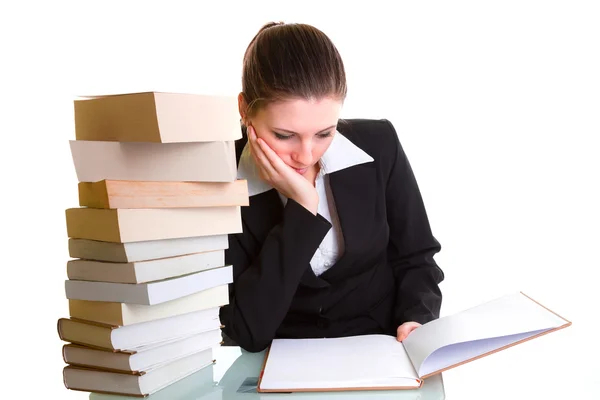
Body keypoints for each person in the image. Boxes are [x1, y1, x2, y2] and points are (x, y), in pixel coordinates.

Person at [219, 21, 444, 353]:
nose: (306, 154)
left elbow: (417, 257)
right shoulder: (217, 177)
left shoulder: (379, 145)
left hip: (382, 353)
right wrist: (302, 208)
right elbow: (246, 330)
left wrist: (416, 318)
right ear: (244, 111)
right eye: (284, 135)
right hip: (278, 364)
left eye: (325, 133)